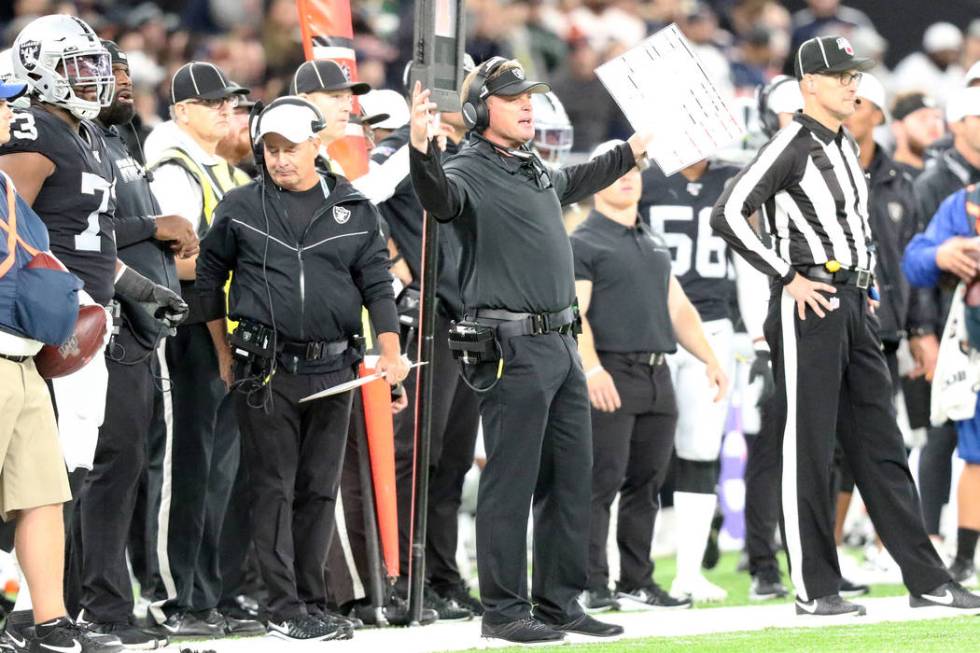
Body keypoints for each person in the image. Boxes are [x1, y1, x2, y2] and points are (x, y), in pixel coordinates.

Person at [710, 35, 980, 616]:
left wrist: (870, 286)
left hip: (853, 301)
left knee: (882, 445)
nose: (851, 84)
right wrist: (787, 275)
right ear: (809, 84)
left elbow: (854, 229)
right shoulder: (791, 142)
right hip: (809, 300)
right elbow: (728, 212)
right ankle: (814, 588)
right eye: (839, 76)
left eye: (855, 76)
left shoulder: (841, 145)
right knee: (808, 445)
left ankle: (926, 579)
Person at [409, 56, 650, 643]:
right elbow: (440, 201)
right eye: (513, 96)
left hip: (561, 343)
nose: (527, 104)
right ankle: (503, 612)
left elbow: (574, 183)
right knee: (511, 483)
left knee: (571, 479)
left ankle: (558, 603)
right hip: (512, 347)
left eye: (530, 95)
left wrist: (630, 150)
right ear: (477, 109)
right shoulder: (465, 167)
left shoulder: (531, 166)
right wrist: (421, 153)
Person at [195, 96, 407, 641]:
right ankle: (282, 606)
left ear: (317, 144)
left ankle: (314, 600)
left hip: (337, 366)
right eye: (269, 149)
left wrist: (390, 349)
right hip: (265, 369)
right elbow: (208, 282)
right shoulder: (240, 207)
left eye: (290, 148)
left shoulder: (354, 206)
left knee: (319, 488)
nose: (279, 158)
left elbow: (377, 283)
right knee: (272, 488)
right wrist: (222, 353)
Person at [0, 15, 185, 642]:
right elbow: (8, 230)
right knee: (44, 473)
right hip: (43, 323)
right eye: (76, 63)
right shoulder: (30, 129)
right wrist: (41, 304)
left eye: (93, 62)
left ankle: (37, 611)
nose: (94, 74)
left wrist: (133, 289)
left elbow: (91, 243)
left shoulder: (83, 133)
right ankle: (28, 608)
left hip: (88, 317)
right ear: (36, 67)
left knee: (64, 471)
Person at [68, 40, 196, 649]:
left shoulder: (119, 142)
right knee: (104, 473)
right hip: (103, 329)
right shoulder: (74, 144)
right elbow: (73, 230)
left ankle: (95, 601)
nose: (121, 81)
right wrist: (155, 227)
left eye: (124, 71)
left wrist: (165, 258)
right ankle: (101, 608)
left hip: (139, 330)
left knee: (123, 474)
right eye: (106, 70)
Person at [573, 140, 727, 613]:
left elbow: (677, 306)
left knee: (646, 484)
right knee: (601, 482)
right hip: (613, 371)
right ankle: (593, 583)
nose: (628, 176)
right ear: (596, 181)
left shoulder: (652, 239)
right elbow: (573, 315)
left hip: (659, 374)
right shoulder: (583, 242)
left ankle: (636, 580)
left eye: (635, 169)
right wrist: (593, 368)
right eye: (618, 169)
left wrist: (710, 358)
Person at [0, 76, 121, 653]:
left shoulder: (5, 184)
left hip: (25, 359)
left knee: (42, 494)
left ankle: (46, 623)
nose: (10, 112)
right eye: (0, 103)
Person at [144, 61, 258, 638]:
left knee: (217, 475)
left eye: (228, 103)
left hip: (222, 328)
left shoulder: (215, 166)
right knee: (186, 470)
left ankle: (206, 595)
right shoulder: (173, 166)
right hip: (187, 330)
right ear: (182, 110)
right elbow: (175, 261)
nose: (224, 110)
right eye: (212, 103)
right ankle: (172, 598)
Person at [640, 151, 768, 603]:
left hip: (711, 326)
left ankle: (688, 572)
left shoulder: (735, 181)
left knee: (700, 450)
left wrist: (756, 336)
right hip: (646, 326)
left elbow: (750, 265)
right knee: (633, 453)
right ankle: (618, 571)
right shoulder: (643, 177)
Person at [910, 85, 980, 573]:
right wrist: (940, 254)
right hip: (975, 341)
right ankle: (963, 558)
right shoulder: (964, 202)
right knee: (976, 455)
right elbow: (914, 260)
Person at [890, 93, 944, 177]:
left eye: (937, 117)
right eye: (922, 118)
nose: (933, 124)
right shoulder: (889, 178)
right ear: (898, 127)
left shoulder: (948, 170)